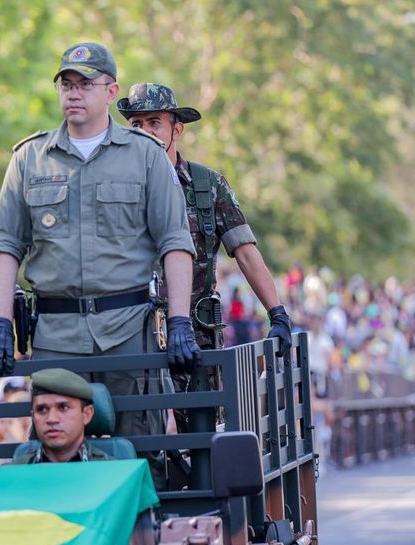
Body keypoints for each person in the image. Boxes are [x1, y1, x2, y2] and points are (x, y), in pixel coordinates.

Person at [0, 42, 199, 444]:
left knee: (137, 449)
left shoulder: (145, 156)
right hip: (55, 336)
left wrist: (180, 320)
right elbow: (6, 245)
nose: (74, 92)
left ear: (111, 92)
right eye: (66, 84)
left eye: (85, 83)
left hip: (127, 332)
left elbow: (175, 242)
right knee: (54, 453)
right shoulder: (30, 158)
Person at [117, 82, 293, 433]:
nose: (145, 131)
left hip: (194, 335)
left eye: (155, 122)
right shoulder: (115, 185)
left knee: (200, 435)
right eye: (136, 124)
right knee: (137, 431)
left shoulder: (206, 185)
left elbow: (245, 253)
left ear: (176, 129)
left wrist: (277, 312)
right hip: (131, 331)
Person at [12, 368, 111, 464]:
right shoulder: (15, 473)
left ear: (86, 414)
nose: (51, 419)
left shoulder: (112, 471)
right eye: (42, 410)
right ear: (33, 417)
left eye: (63, 407)